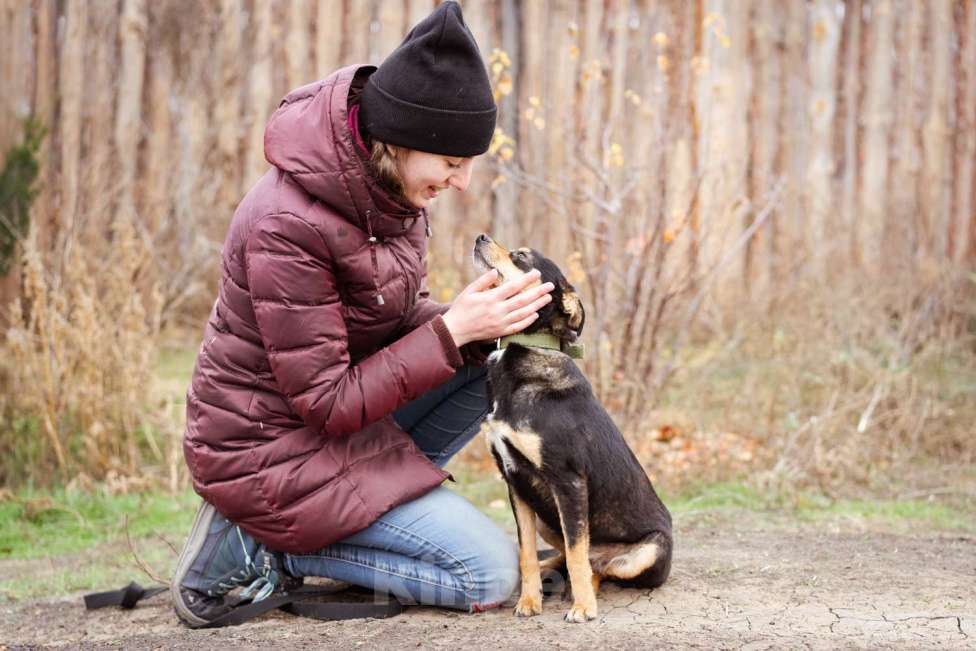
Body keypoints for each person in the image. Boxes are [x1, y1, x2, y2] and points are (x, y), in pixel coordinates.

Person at [171, 1, 555, 627]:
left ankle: (374, 507)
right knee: (488, 574)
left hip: (329, 433)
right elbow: (326, 401)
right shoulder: (287, 224)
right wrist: (450, 330)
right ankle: (269, 549)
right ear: (401, 142)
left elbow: (379, 323)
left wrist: (470, 322)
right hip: (268, 455)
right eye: (453, 164)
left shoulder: (386, 192)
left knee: (489, 360)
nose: (461, 184)